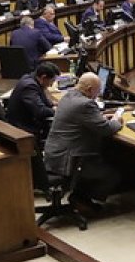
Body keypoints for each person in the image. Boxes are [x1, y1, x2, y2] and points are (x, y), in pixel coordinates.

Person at [43, 73, 124, 211]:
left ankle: (80, 197)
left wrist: (100, 117)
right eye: (97, 90)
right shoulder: (85, 104)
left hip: (54, 154)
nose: (98, 94)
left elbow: (85, 119)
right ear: (89, 89)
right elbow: (106, 129)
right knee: (113, 173)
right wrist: (117, 120)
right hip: (69, 159)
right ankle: (81, 199)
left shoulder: (69, 96)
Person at [4, 62, 59, 143]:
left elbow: (41, 98)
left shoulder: (30, 78)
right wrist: (56, 110)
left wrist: (53, 104)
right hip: (24, 128)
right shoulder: (29, 86)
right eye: (52, 81)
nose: (51, 85)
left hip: (27, 121)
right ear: (43, 77)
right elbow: (40, 111)